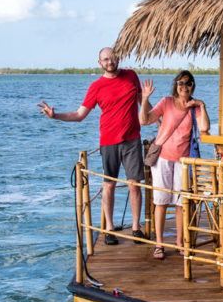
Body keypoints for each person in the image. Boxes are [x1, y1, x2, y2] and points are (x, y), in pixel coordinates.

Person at [38, 47, 145, 246]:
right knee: (109, 185)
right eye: (105, 59)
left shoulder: (131, 76)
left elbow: (142, 103)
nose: (110, 62)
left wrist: (159, 121)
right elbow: (79, 115)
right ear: (100, 63)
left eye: (112, 58)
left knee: (135, 185)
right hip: (109, 141)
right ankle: (110, 229)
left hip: (132, 139)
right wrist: (55, 116)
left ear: (118, 58)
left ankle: (137, 228)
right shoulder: (96, 86)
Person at [139, 71, 210, 260]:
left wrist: (201, 105)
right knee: (161, 201)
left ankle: (179, 241)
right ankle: (159, 243)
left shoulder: (194, 107)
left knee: (181, 203)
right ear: (176, 85)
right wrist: (145, 99)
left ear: (193, 86)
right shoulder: (167, 102)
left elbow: (204, 128)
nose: (184, 87)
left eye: (188, 83)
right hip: (163, 158)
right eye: (181, 83)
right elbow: (144, 120)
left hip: (183, 160)